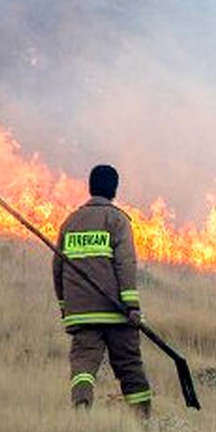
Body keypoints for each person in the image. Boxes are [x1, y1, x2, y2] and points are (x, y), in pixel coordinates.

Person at [53, 164, 151, 416]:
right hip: (116, 313)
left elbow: (57, 268)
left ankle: (81, 408)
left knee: (83, 364)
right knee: (129, 365)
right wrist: (131, 306)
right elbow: (125, 264)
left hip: (81, 313)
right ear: (114, 190)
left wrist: (66, 307)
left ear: (90, 187)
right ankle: (142, 418)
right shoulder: (117, 220)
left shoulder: (70, 222)